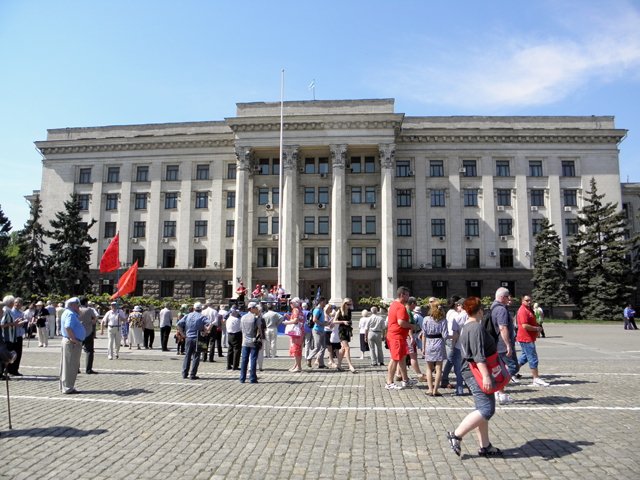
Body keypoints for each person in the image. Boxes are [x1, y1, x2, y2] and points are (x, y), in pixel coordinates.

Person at [446, 296, 503, 457]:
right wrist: (486, 376)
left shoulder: (467, 326)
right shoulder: (475, 328)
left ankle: (485, 445)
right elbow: (478, 355)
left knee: (481, 408)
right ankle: (456, 435)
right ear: (480, 311)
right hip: (476, 372)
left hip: (470, 370)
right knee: (487, 409)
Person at [490, 287, 516, 405]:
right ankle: (498, 389)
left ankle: (499, 391)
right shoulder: (501, 310)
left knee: (501, 368)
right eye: (507, 297)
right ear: (502, 297)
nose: (508, 299)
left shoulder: (493, 307)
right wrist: (508, 345)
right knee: (512, 367)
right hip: (501, 344)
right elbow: (502, 327)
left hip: (497, 343)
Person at [385, 286, 415, 390]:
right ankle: (389, 382)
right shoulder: (400, 307)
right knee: (394, 359)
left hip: (396, 335)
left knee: (402, 358)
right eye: (407, 295)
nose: (408, 297)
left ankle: (405, 380)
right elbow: (401, 322)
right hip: (396, 336)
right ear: (402, 295)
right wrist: (412, 326)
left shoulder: (394, 304)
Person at [516, 295, 550, 387]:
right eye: (527, 300)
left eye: (530, 300)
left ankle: (510, 372)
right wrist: (536, 329)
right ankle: (536, 379)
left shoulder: (529, 309)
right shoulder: (523, 310)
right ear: (522, 301)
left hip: (529, 337)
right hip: (525, 338)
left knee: (524, 357)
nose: (529, 302)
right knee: (533, 358)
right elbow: (524, 325)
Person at [177, 302, 212, 380]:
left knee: (187, 356)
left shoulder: (188, 315)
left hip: (188, 338)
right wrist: (206, 332)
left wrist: (182, 334)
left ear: (194, 308)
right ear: (201, 309)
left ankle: (184, 373)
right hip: (198, 338)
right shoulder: (202, 317)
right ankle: (192, 374)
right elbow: (210, 324)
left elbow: (178, 324)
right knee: (196, 356)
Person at [59, 297, 86, 394]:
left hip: (69, 341)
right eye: (77, 305)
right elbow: (68, 327)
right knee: (71, 365)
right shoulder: (70, 314)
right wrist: (74, 339)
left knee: (66, 365)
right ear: (72, 305)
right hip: (72, 343)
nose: (79, 307)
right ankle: (68, 387)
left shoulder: (68, 313)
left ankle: (65, 386)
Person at [422, 299, 448, 396]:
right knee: (438, 368)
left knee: (429, 368)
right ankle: (436, 390)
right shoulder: (443, 320)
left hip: (429, 343)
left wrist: (423, 347)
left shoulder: (426, 319)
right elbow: (445, 335)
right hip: (439, 343)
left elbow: (423, 334)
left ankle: (430, 389)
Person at [441, 297, 466, 396]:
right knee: (467, 367)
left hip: (458, 344)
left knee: (457, 367)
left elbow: (455, 334)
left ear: (460, 305)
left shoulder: (456, 316)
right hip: (468, 345)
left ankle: (459, 388)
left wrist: (453, 342)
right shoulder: (471, 316)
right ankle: (470, 386)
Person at [239, 302, 261, 383]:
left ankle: (242, 378)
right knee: (253, 359)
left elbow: (241, 328)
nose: (257, 309)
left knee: (244, 360)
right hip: (253, 340)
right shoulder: (255, 318)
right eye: (255, 308)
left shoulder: (243, 317)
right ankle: (252, 378)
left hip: (245, 341)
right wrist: (260, 338)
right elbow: (259, 329)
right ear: (252, 308)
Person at [335, 298, 357, 373]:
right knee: (347, 348)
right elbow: (334, 321)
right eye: (348, 304)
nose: (349, 306)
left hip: (347, 330)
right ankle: (350, 365)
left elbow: (349, 319)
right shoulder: (339, 311)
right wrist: (343, 322)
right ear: (344, 304)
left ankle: (338, 365)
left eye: (350, 304)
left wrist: (349, 322)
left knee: (343, 349)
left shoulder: (350, 311)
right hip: (342, 331)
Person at [306, 297, 329, 369]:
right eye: (325, 302)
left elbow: (320, 320)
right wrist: (323, 324)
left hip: (322, 330)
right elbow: (314, 319)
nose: (325, 303)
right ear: (321, 302)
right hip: (317, 330)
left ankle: (321, 363)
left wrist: (326, 323)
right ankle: (309, 358)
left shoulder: (321, 309)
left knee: (323, 347)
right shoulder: (317, 309)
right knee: (317, 347)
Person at [79, 298, 98, 374]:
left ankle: (76, 369)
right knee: (89, 351)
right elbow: (95, 319)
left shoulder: (77, 310)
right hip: (88, 332)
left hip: (78, 333)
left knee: (77, 351)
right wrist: (91, 322)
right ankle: (88, 369)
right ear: (86, 302)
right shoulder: (89, 310)